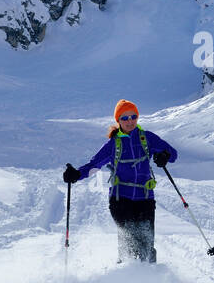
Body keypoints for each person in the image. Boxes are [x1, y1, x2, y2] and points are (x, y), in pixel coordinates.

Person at [62, 100, 178, 264]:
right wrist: (75, 175)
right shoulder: (113, 144)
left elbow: (173, 154)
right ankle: (125, 275)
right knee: (130, 243)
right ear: (118, 121)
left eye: (133, 116)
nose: (130, 121)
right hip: (120, 199)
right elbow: (94, 166)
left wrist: (164, 156)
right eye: (125, 118)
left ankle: (150, 280)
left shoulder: (148, 138)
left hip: (145, 199)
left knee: (146, 244)